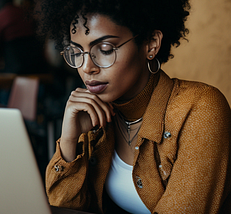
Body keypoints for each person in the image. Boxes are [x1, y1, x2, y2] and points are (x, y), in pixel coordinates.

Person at [36, 0, 231, 213]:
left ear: (151, 44)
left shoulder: (200, 110)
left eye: (105, 49)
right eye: (76, 52)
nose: (86, 67)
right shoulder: (94, 115)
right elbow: (64, 207)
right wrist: (69, 141)